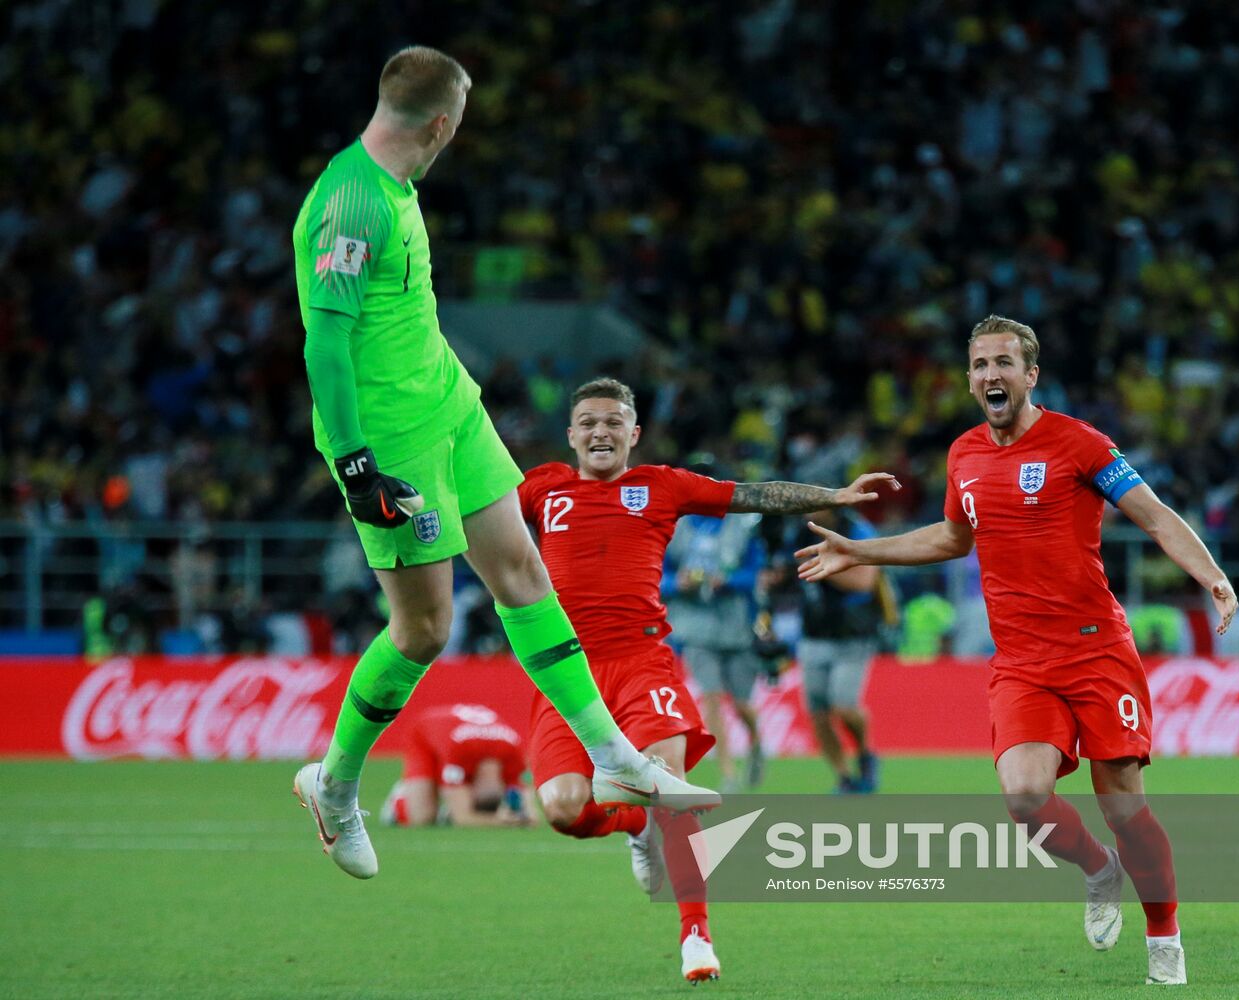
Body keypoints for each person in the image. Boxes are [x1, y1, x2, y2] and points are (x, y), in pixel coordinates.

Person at [288, 46, 716, 881]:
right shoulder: (349, 204)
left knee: (524, 573)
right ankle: (334, 786)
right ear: (443, 124)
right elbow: (326, 344)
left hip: (451, 406)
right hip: (392, 442)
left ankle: (615, 754)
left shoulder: (394, 187)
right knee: (424, 630)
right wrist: (355, 467)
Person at [797, 316, 1238, 986]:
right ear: (970, 378)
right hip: (1023, 663)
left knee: (1124, 805)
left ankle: (1164, 940)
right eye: (979, 365)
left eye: (1004, 363)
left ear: (1031, 375)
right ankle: (1098, 869)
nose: (990, 376)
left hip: (1096, 653)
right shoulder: (964, 455)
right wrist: (861, 550)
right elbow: (950, 539)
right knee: (1025, 797)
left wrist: (1210, 574)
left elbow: (1151, 513)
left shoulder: (1079, 444)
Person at [519, 377, 898, 984]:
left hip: (641, 662)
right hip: (564, 671)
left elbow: (755, 496)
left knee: (669, 781)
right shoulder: (542, 490)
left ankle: (696, 935)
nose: (600, 431)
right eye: (588, 422)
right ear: (570, 434)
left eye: (614, 421)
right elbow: (478, 519)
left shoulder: (661, 486)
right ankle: (636, 822)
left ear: (633, 433)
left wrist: (836, 494)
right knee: (565, 809)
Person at [665, 505, 766, 793]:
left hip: (738, 630)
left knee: (742, 704)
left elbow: (755, 575)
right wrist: (677, 583)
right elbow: (658, 576)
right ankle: (728, 774)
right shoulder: (676, 527)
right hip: (695, 628)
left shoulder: (743, 526)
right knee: (711, 699)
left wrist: (729, 580)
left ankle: (756, 743)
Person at [794, 506, 889, 793]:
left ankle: (865, 753)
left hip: (852, 633)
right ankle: (844, 777)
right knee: (818, 714)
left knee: (844, 706)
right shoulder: (798, 533)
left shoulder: (858, 531)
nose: (806, 510)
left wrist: (820, 568)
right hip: (813, 633)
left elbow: (864, 582)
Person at [380, 703, 534, 828]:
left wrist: (523, 818)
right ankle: (399, 801)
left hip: (455, 739)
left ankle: (446, 804)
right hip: (424, 735)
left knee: (438, 813)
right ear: (470, 784)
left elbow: (532, 816)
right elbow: (463, 818)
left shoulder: (514, 755)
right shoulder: (459, 752)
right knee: (423, 818)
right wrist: (502, 821)